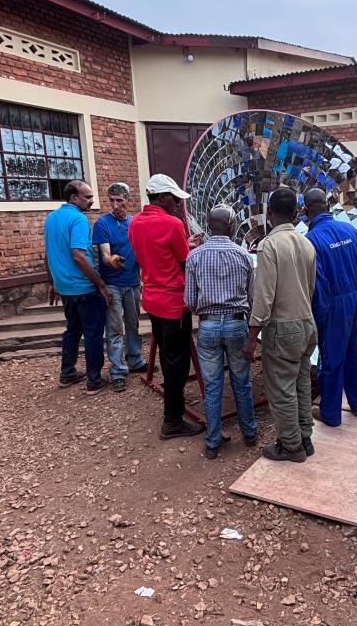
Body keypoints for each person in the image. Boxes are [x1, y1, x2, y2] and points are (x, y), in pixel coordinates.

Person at [242, 187, 317, 462]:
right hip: (307, 323)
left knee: (282, 391)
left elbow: (264, 296)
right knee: (300, 384)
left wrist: (252, 336)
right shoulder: (307, 244)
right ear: (296, 213)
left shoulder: (270, 245)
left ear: (270, 214)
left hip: (283, 328)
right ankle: (304, 438)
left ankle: (291, 447)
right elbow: (310, 288)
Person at [129, 174, 203, 440]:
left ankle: (174, 412)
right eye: (174, 199)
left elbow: (158, 253)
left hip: (151, 299)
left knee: (166, 355)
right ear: (162, 198)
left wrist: (187, 244)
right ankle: (172, 421)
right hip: (173, 303)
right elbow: (186, 265)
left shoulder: (135, 222)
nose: (176, 205)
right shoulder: (172, 224)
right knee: (177, 363)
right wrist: (194, 250)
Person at [185, 205, 258, 460]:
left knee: (213, 386)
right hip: (238, 324)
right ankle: (249, 434)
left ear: (208, 225)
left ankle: (213, 442)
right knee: (241, 382)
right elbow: (252, 298)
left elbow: (190, 300)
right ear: (231, 226)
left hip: (208, 326)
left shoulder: (194, 257)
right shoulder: (243, 256)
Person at [303, 187, 357, 427]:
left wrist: (320, 318)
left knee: (331, 361)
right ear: (328, 206)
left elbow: (317, 285)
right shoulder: (350, 230)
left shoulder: (311, 240)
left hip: (333, 306)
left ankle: (330, 414)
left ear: (305, 211)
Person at [44, 180, 112, 395]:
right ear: (74, 197)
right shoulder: (78, 219)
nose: (91, 201)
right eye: (87, 197)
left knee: (72, 330)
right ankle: (94, 381)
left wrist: (53, 282)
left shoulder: (51, 218)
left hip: (65, 288)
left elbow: (48, 255)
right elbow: (79, 256)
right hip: (84, 288)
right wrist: (101, 285)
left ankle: (67, 373)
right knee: (93, 333)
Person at [92, 182, 146, 392]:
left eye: (119, 201)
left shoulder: (134, 223)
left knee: (132, 323)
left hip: (132, 281)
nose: (115, 205)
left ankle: (135, 359)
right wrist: (110, 258)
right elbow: (104, 253)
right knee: (115, 328)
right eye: (112, 201)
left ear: (128, 201)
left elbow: (142, 248)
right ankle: (117, 370)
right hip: (112, 283)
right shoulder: (103, 223)